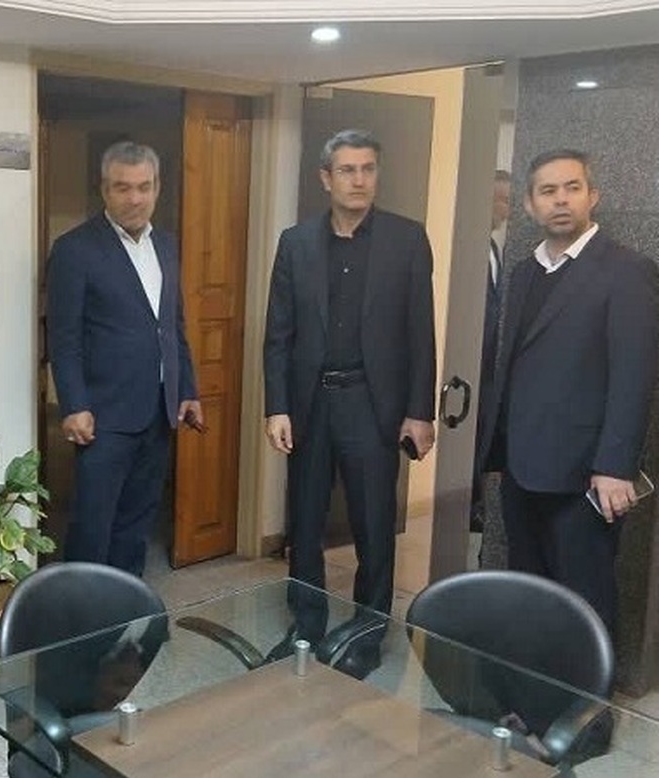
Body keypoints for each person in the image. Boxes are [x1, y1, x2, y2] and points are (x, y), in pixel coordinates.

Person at [263, 128, 436, 678]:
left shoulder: (407, 240)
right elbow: (278, 333)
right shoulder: (296, 243)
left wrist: (420, 411)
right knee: (304, 521)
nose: (359, 180)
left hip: (372, 403)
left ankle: (367, 631)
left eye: (367, 169)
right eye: (347, 170)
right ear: (326, 178)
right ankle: (306, 623)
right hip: (310, 403)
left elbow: (421, 334)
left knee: (374, 524)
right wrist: (277, 405)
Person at [477, 149, 658, 635]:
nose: (561, 200)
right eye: (548, 191)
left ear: (592, 196)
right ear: (530, 205)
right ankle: (533, 682)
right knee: (529, 592)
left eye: (572, 188)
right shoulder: (524, 273)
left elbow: (634, 375)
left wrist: (615, 466)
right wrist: (496, 449)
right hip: (521, 471)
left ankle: (587, 688)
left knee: (585, 599)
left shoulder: (626, 271)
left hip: (585, 477)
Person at [45, 140, 203, 577]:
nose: (135, 198)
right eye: (123, 187)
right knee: (92, 527)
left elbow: (173, 325)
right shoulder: (75, 249)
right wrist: (74, 404)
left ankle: (125, 607)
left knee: (136, 524)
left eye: (144, 187)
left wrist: (187, 390)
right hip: (104, 415)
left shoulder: (166, 245)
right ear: (104, 190)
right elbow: (63, 336)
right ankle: (80, 613)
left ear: (157, 188)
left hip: (158, 411)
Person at [471, 169, 512, 534]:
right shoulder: (468, 248)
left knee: (484, 435)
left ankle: (478, 505)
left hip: (490, 370)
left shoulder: (494, 248)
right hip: (471, 365)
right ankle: (471, 507)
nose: (507, 209)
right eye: (503, 200)